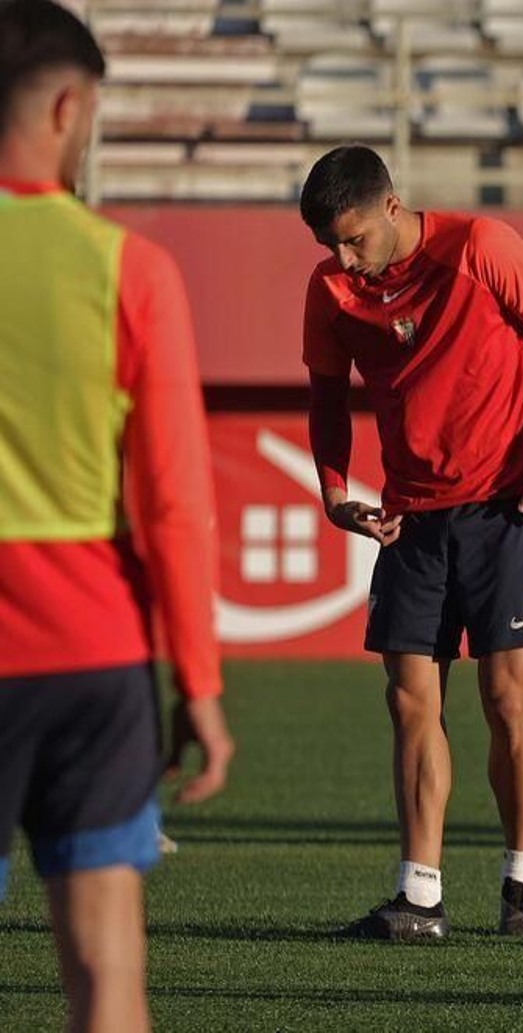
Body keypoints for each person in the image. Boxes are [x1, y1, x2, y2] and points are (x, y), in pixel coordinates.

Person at [0, 1, 234, 1028]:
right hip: (89, 664)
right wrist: (201, 682)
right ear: (67, 105)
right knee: (105, 981)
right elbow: (175, 505)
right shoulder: (130, 269)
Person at [298, 144, 523, 940]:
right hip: (409, 518)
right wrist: (334, 494)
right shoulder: (330, 289)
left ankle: (521, 875)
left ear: (392, 208)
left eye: (354, 239)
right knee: (408, 701)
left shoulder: (480, 247)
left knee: (506, 701)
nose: (343, 257)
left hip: (504, 507)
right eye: (330, 244)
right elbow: (327, 399)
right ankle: (419, 893)